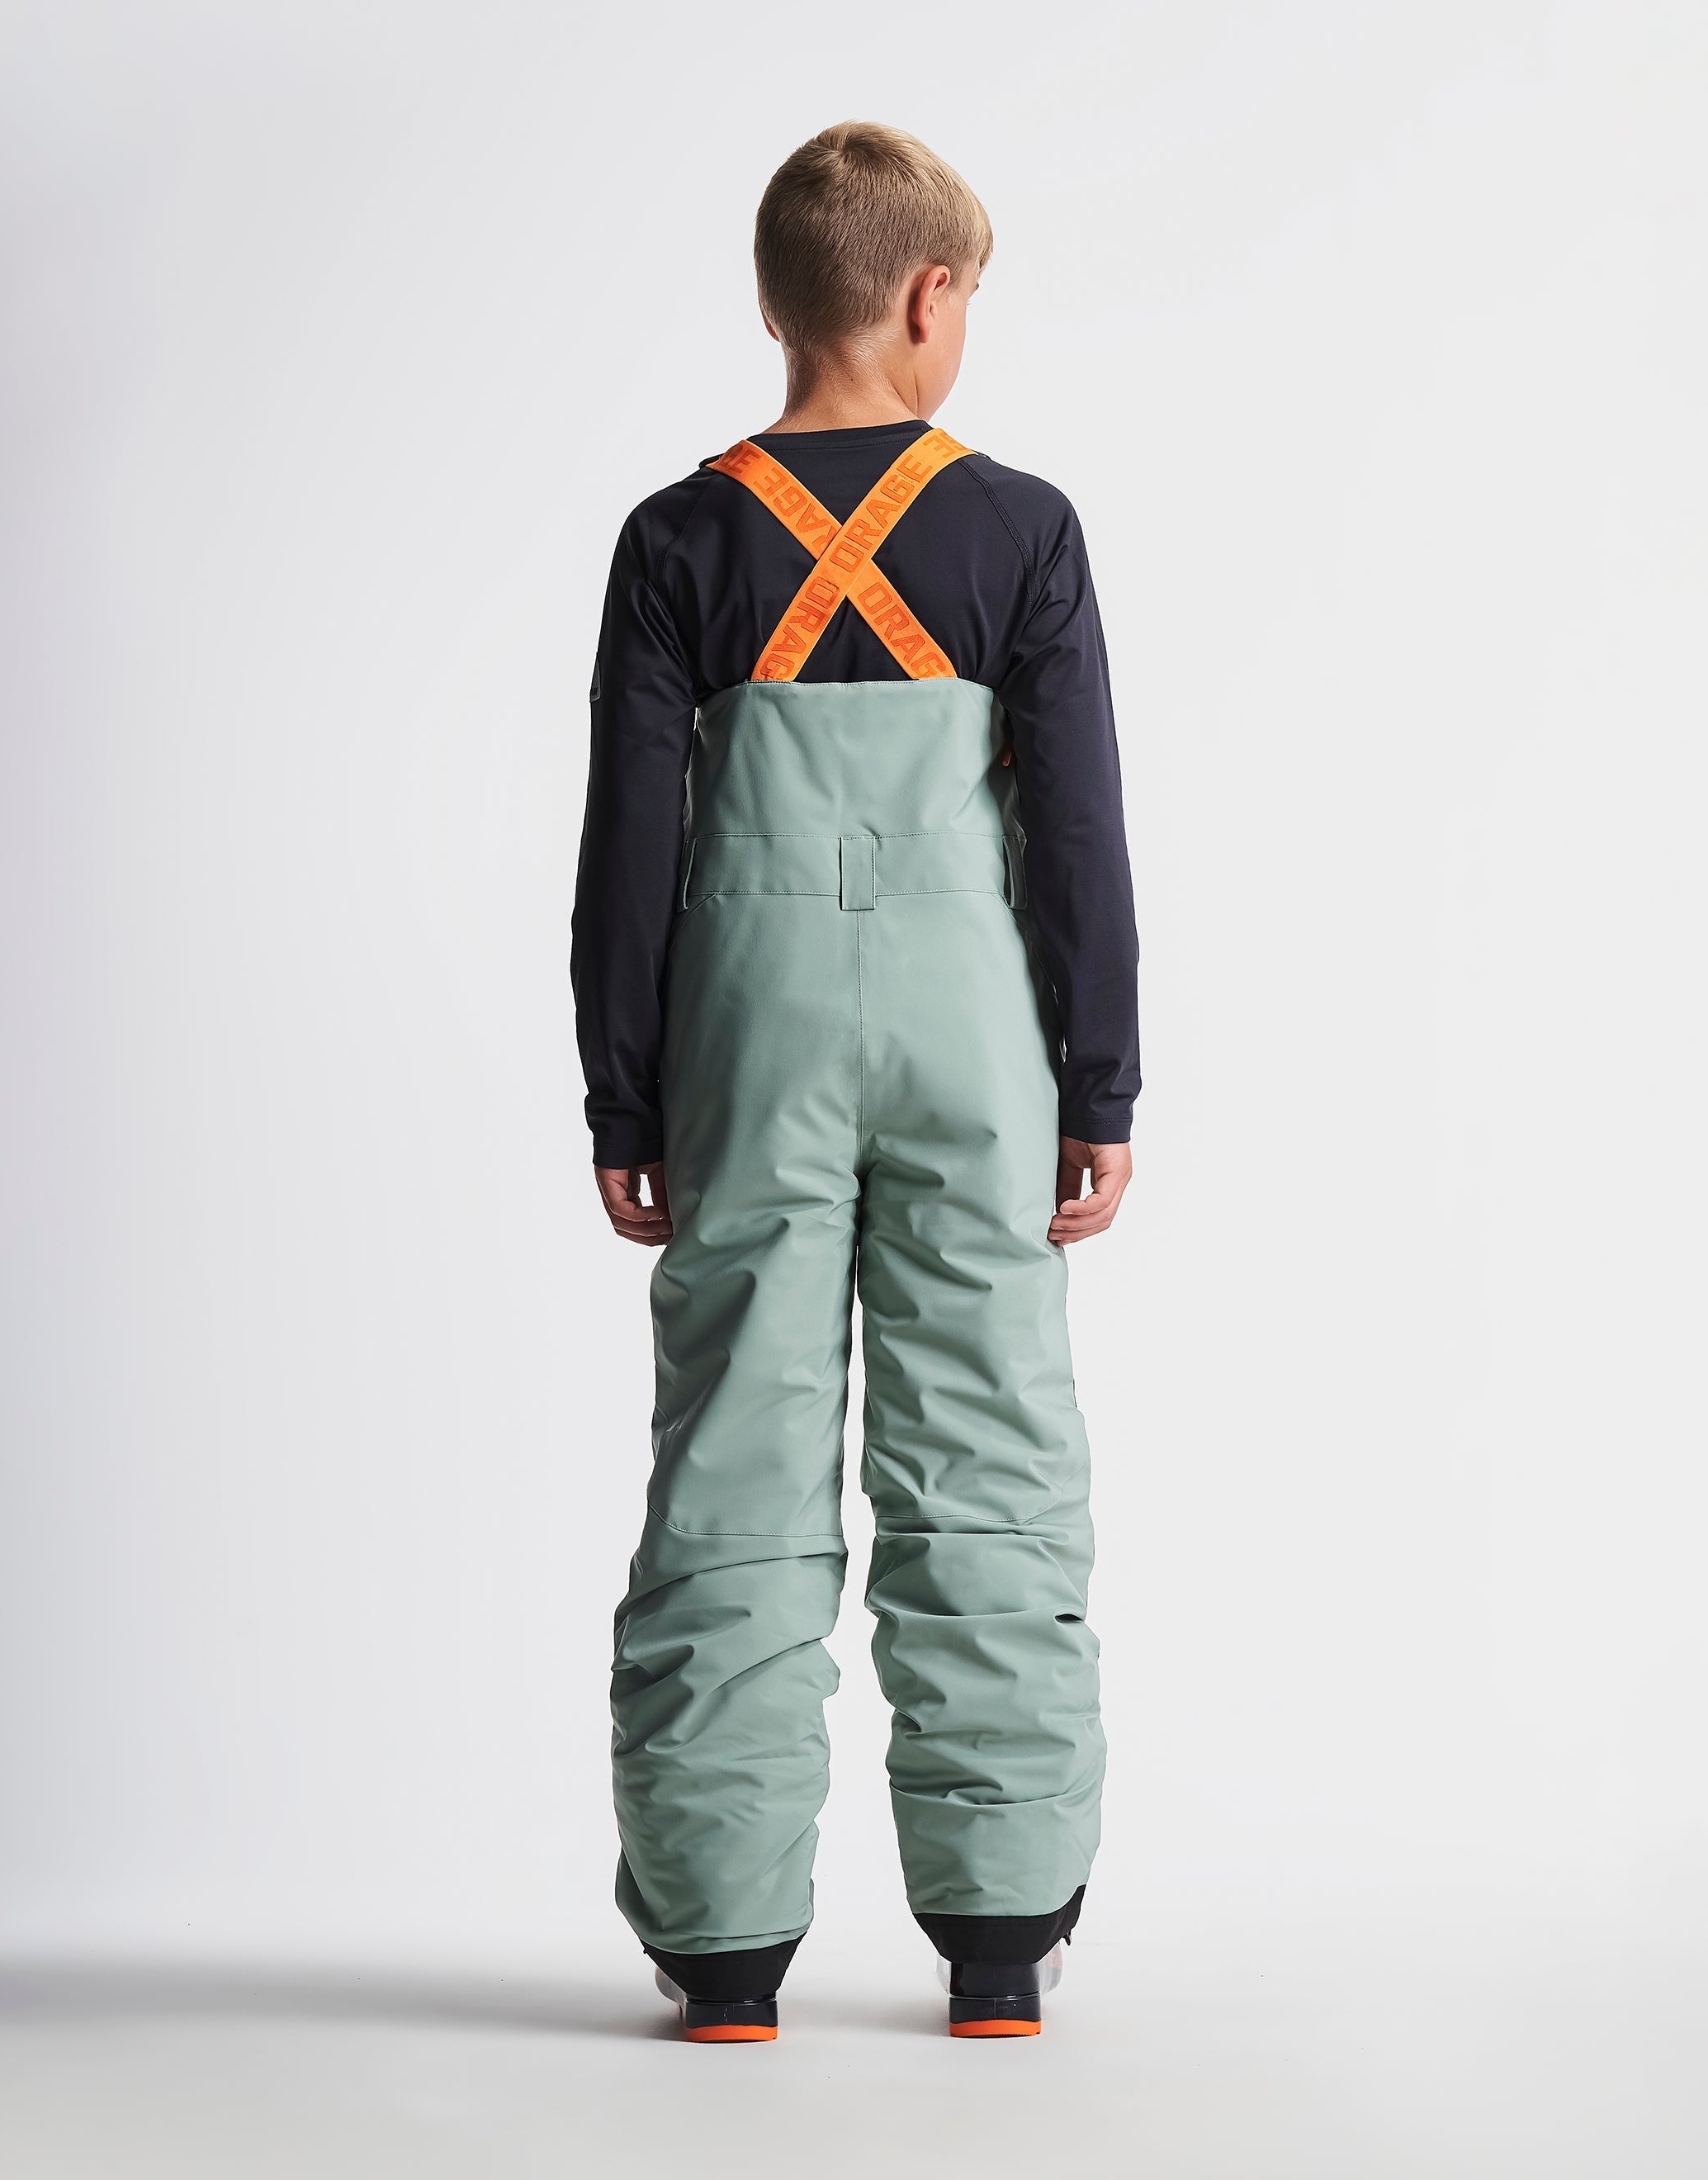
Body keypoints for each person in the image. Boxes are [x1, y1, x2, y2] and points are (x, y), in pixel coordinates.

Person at [570, 121, 1140, 2042]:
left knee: (736, 1454)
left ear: (772, 306)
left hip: (749, 1039)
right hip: (979, 1048)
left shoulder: (678, 539)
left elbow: (629, 847)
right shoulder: (1021, 528)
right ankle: (1001, 1940)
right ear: (928, 297)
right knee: (986, 1448)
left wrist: (626, 1096)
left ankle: (725, 1953)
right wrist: (1102, 1085)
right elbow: (1077, 830)